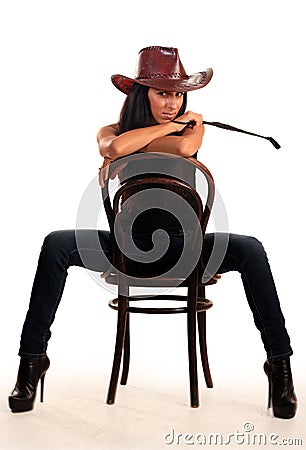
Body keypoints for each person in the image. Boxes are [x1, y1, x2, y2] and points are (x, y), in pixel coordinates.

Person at [8, 46, 297, 419]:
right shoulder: (113, 130)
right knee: (56, 244)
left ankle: (279, 365)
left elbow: (182, 146)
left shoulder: (191, 132)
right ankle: (32, 362)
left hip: (187, 250)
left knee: (251, 249)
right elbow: (114, 143)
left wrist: (129, 150)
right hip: (127, 249)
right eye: (163, 93)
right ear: (140, 95)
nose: (172, 103)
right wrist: (152, 136)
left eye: (178, 94)